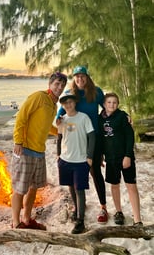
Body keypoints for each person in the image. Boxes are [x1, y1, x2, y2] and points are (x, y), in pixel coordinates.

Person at [11, 71, 67, 230]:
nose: (59, 87)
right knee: (20, 188)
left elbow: (47, 126)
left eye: (62, 85)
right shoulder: (38, 97)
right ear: (50, 84)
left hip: (39, 151)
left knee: (33, 187)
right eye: (57, 84)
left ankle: (27, 219)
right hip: (25, 149)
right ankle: (16, 223)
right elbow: (21, 117)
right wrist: (18, 141)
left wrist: (60, 132)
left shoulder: (53, 105)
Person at [56, 65, 108, 223]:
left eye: (82, 76)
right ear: (74, 78)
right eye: (77, 77)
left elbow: (108, 107)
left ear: (87, 77)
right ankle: (79, 207)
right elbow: (62, 111)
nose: (80, 79)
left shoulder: (96, 92)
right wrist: (58, 119)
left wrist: (123, 116)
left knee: (95, 172)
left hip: (94, 137)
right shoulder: (71, 93)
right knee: (74, 175)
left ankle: (103, 207)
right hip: (77, 139)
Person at [98, 92, 142, 226]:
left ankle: (137, 219)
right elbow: (100, 139)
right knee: (114, 185)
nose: (112, 105)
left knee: (131, 186)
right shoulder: (100, 119)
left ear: (118, 104)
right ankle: (119, 212)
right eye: (109, 102)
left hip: (125, 158)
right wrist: (100, 156)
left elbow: (130, 136)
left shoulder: (122, 116)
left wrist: (128, 155)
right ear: (104, 104)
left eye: (114, 102)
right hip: (110, 159)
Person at [57, 93, 95, 234]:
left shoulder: (83, 117)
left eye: (70, 102)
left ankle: (81, 221)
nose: (68, 104)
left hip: (80, 160)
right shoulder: (62, 120)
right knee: (71, 187)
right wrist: (57, 155)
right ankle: (77, 210)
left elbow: (92, 136)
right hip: (65, 160)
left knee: (79, 189)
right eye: (65, 103)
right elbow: (59, 138)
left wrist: (90, 156)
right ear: (62, 105)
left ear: (75, 103)